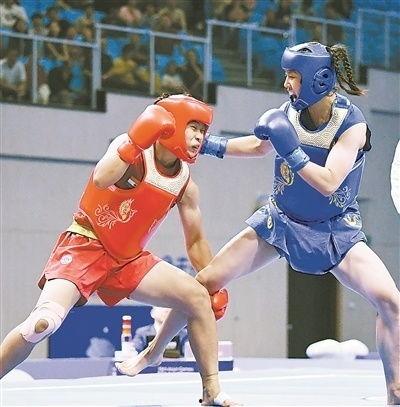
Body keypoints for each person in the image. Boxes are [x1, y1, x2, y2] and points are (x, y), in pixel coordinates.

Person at [119, 42, 400, 406]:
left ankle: (395, 392)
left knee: (390, 301)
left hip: (335, 229)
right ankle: (154, 352)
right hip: (279, 221)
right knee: (203, 283)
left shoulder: (351, 124)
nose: (286, 84)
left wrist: (292, 151)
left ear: (318, 79)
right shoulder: (290, 112)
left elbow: (330, 180)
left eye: (293, 76)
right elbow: (259, 146)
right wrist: (207, 145)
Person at [0, 94, 236, 406]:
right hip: (86, 246)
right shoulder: (131, 148)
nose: (199, 137)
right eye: (193, 127)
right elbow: (102, 178)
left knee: (198, 296)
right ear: (170, 124)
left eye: (203, 130)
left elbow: (195, 242)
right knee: (42, 323)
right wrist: (135, 142)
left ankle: (211, 391)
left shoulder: (185, 183)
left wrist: (214, 280)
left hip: (129, 260)